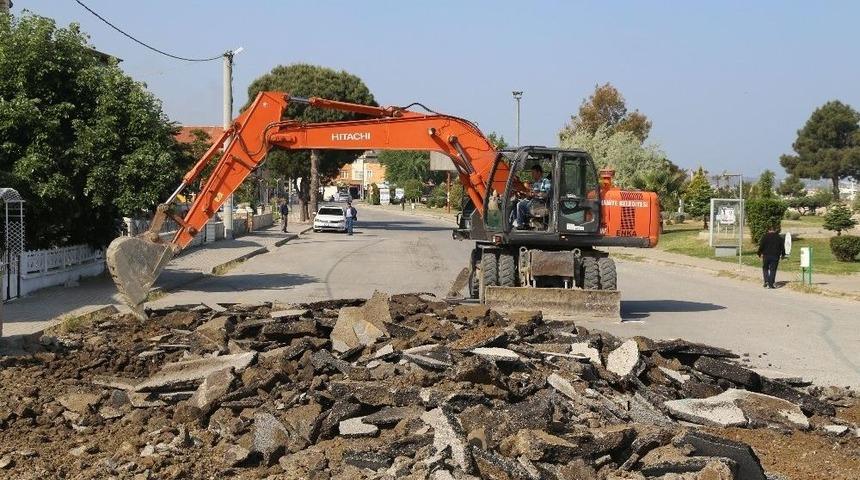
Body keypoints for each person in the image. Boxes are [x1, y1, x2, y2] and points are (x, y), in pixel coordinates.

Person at [515, 164, 551, 230]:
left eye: (533, 173)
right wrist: (525, 194)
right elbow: (532, 195)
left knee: (520, 205)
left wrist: (535, 194)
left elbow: (546, 194)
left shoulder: (545, 181)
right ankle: (523, 223)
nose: (532, 175)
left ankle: (520, 224)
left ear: (539, 172)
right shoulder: (535, 183)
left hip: (541, 204)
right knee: (518, 202)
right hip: (533, 202)